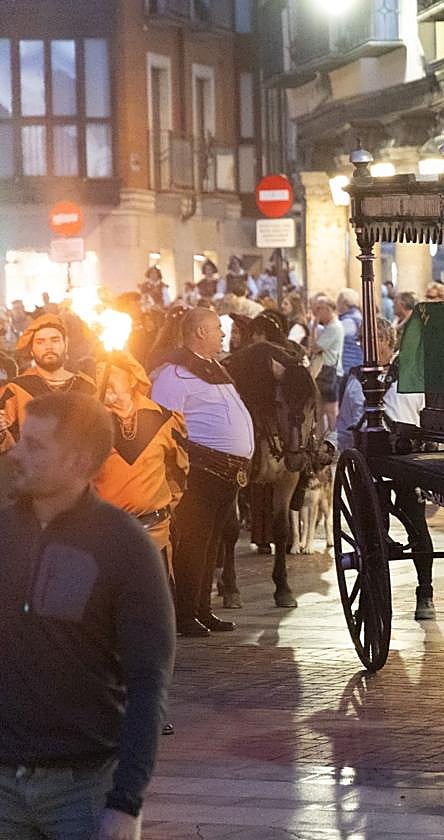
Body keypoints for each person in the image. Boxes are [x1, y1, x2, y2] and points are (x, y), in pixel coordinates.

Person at [0, 392, 174, 840]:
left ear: (78, 462)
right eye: (20, 440)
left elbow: (148, 680)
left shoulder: (124, 545)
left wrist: (126, 802)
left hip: (83, 793)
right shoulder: (3, 533)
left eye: (35, 445)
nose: (15, 453)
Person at [151, 308, 253, 637]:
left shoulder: (212, 368)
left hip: (226, 472)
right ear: (199, 333)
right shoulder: (174, 374)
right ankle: (184, 614)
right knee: (194, 542)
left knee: (212, 544)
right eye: (217, 329)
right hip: (200, 471)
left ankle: (201, 609)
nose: (223, 335)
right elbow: (163, 424)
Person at [336, 318, 436, 619]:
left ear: (387, 341)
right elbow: (345, 424)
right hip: (367, 464)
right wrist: (334, 447)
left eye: (371, 340)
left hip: (405, 460)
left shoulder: (410, 373)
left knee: (417, 525)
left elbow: (427, 415)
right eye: (362, 341)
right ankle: (373, 593)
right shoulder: (353, 379)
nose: (364, 347)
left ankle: (425, 591)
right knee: (372, 530)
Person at [94, 351, 189, 561]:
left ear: (131, 379)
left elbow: (178, 473)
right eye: (98, 373)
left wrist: (160, 508)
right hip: (104, 537)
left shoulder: (164, 420)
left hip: (154, 535)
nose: (103, 379)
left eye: (110, 372)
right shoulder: (88, 424)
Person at [0, 315, 96, 455]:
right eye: (40, 342)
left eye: (55, 340)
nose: (48, 346)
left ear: (65, 344)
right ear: (32, 349)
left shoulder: (87, 386)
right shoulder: (16, 389)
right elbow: (6, 447)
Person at [309, 295, 344, 436]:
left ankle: (334, 439)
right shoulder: (329, 327)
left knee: (330, 410)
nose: (317, 312)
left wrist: (314, 326)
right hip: (325, 371)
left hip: (328, 372)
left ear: (328, 309)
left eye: (320, 309)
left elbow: (315, 347)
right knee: (320, 410)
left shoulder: (334, 327)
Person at [337, 287, 364, 380]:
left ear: (344, 303)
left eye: (338, 301)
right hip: (357, 362)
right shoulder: (358, 317)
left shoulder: (348, 321)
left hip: (348, 365)